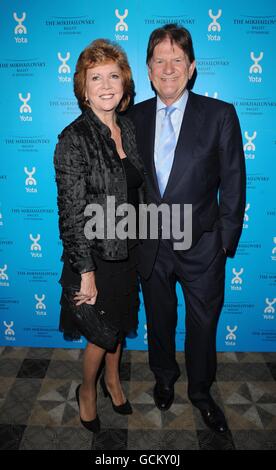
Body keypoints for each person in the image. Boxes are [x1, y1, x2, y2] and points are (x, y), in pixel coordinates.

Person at [129, 24, 246, 433]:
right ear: (148, 69)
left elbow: (234, 182)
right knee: (159, 320)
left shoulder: (220, 115)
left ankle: (200, 391)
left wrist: (223, 245)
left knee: (202, 326)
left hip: (203, 247)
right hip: (151, 247)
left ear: (192, 67)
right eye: (159, 60)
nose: (168, 68)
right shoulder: (132, 117)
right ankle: (164, 378)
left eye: (177, 60)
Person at [54, 39, 146, 433]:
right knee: (99, 334)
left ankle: (113, 381)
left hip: (127, 250)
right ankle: (87, 391)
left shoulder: (127, 127)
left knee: (121, 326)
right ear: (83, 86)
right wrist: (85, 272)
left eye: (113, 75)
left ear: (124, 82)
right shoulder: (73, 138)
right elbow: (71, 215)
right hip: (93, 257)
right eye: (96, 77)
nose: (106, 84)